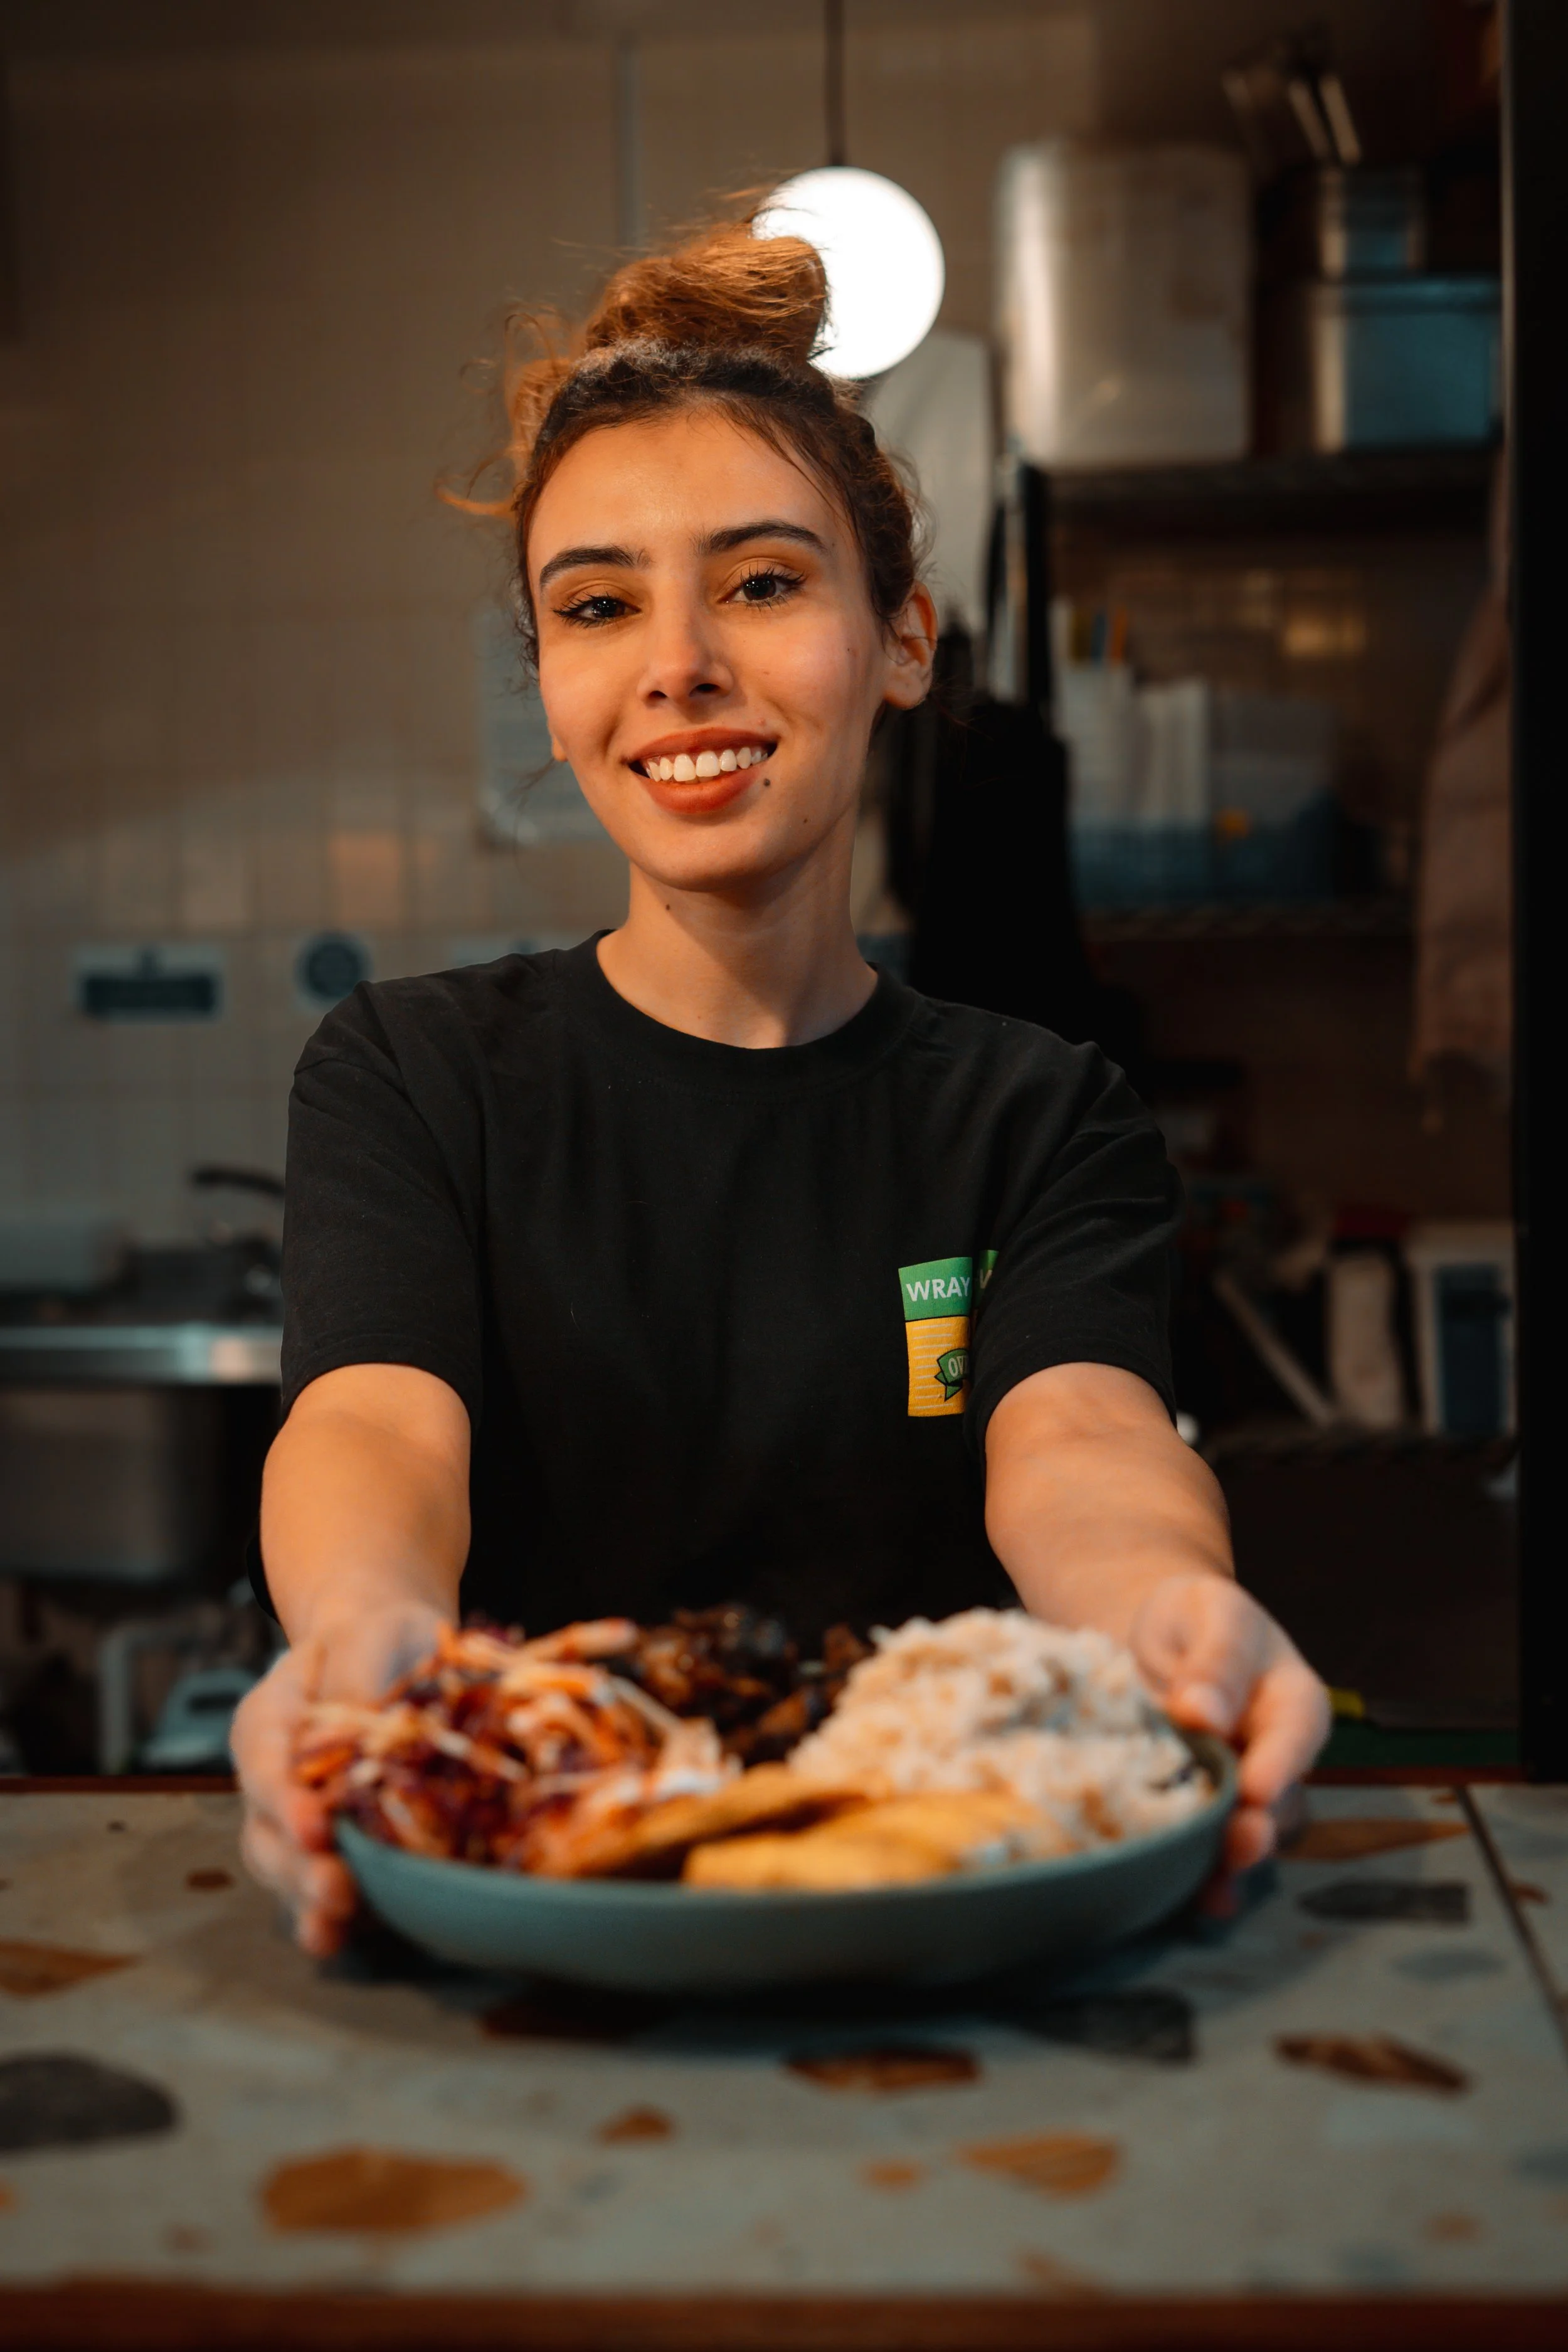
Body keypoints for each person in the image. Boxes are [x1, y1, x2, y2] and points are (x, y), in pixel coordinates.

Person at [234, 217, 1329, 1952]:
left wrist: (1172, 1609)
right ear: (550, 676)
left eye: (759, 581)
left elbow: (1083, 1448)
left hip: (940, 1897)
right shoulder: (414, 1073)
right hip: (536, 1874)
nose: (678, 662)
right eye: (597, 605)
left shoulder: (1037, 1114)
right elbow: (371, 1421)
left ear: (901, 638)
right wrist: (361, 1631)